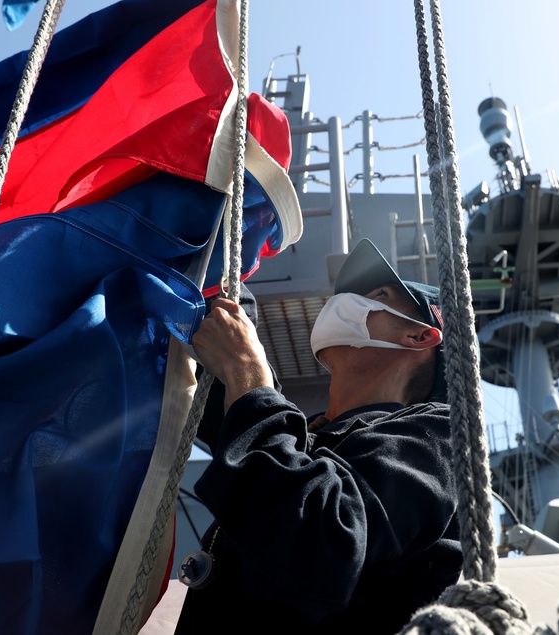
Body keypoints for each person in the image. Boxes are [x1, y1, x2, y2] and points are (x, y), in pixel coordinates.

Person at [174, 239, 462, 634]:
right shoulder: (306, 439)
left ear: (419, 337)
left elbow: (316, 541)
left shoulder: (438, 439)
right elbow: (217, 321)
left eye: (378, 295)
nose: (345, 300)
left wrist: (247, 369)